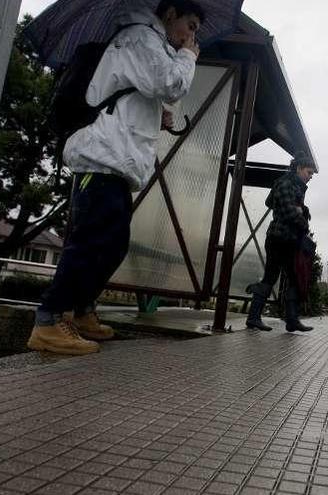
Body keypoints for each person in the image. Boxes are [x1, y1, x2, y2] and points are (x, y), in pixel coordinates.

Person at [28, 0, 203, 355]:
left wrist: (160, 117)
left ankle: (81, 313)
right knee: (92, 241)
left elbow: (136, 96)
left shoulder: (146, 41)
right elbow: (170, 83)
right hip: (102, 157)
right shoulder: (141, 36)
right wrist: (188, 58)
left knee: (112, 244)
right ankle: (47, 322)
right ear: (170, 14)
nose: (191, 36)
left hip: (117, 160)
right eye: (191, 25)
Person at [246, 153, 317, 333]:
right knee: (272, 276)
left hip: (287, 240)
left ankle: (291, 320)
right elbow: (288, 213)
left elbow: (270, 202)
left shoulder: (292, 185)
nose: (310, 177)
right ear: (299, 168)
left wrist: (299, 209)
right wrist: (302, 219)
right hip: (279, 238)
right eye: (309, 172)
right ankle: (254, 317)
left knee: (293, 278)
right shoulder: (286, 183)